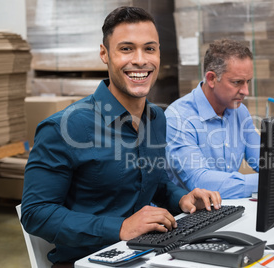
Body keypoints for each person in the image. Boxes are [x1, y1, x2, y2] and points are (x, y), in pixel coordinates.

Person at [20, 6, 221, 266]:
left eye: (149, 48)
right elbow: (36, 213)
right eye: (126, 49)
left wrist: (181, 198)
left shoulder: (157, 119)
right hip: (88, 261)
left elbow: (154, 181)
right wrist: (120, 228)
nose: (140, 60)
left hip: (146, 252)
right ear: (104, 54)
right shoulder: (64, 128)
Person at [165, 39, 261, 199]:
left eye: (248, 82)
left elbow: (263, 159)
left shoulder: (240, 112)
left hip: (226, 207)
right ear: (211, 79)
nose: (246, 91)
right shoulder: (178, 118)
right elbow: (200, 182)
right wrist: (268, 182)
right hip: (188, 216)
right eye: (237, 82)